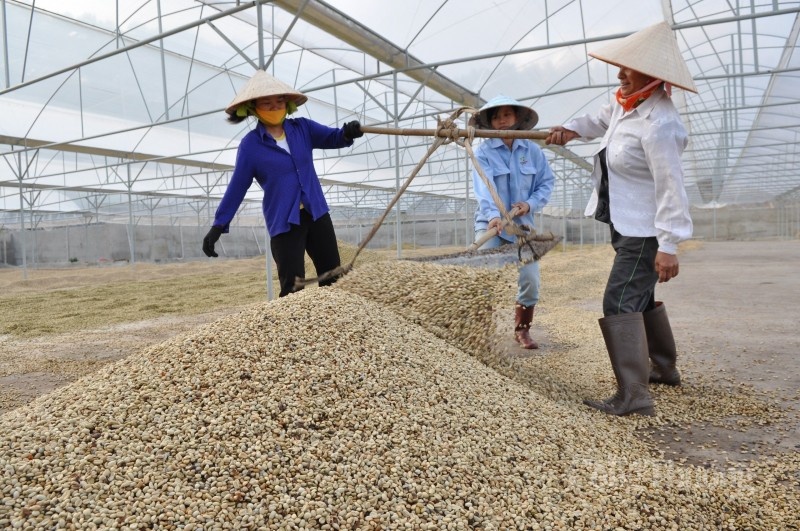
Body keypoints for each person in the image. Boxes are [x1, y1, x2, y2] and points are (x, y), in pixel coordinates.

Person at [545, 21, 696, 416]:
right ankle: (663, 368)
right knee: (639, 297)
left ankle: (634, 395)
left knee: (619, 300)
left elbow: (671, 187)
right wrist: (569, 130)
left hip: (646, 231)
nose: (620, 73)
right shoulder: (626, 104)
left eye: (629, 68)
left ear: (654, 76)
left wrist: (668, 245)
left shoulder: (661, 124)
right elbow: (596, 120)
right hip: (625, 221)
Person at [202, 70, 363, 297]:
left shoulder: (303, 129)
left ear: (287, 104)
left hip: (316, 213)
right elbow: (237, 187)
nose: (274, 107)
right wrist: (218, 225)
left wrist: (348, 133)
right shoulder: (251, 146)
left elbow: (334, 137)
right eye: (266, 103)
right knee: (292, 287)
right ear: (252, 108)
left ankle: (334, 325)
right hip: (285, 221)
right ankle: (295, 329)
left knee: (333, 276)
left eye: (279, 101)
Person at [470, 95, 555, 349]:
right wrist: (493, 215)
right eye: (496, 116)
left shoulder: (533, 151)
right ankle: (478, 331)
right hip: (492, 224)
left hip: (522, 227)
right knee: (480, 275)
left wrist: (529, 204)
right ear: (490, 122)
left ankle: (522, 330)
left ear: (517, 118)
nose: (501, 120)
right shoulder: (483, 152)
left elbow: (546, 183)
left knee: (530, 279)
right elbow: (484, 186)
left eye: (507, 115)